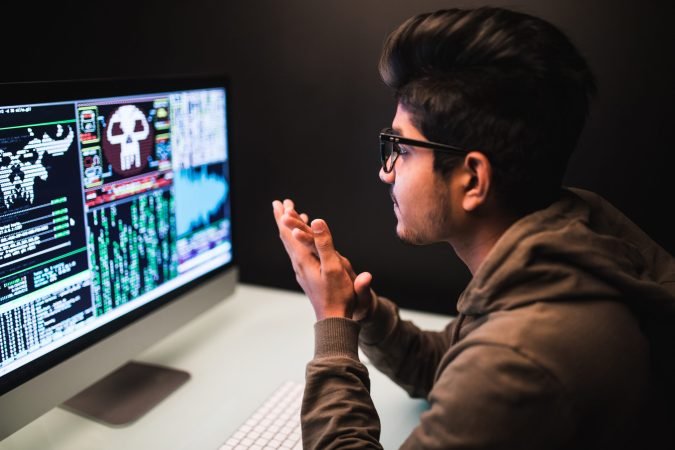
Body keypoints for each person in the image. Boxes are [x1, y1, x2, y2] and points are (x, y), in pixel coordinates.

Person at [272, 6, 675, 449]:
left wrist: (332, 324)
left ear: (473, 180)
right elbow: (444, 368)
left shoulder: (525, 355)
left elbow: (486, 371)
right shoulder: (569, 243)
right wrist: (361, 313)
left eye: (401, 149)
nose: (386, 173)